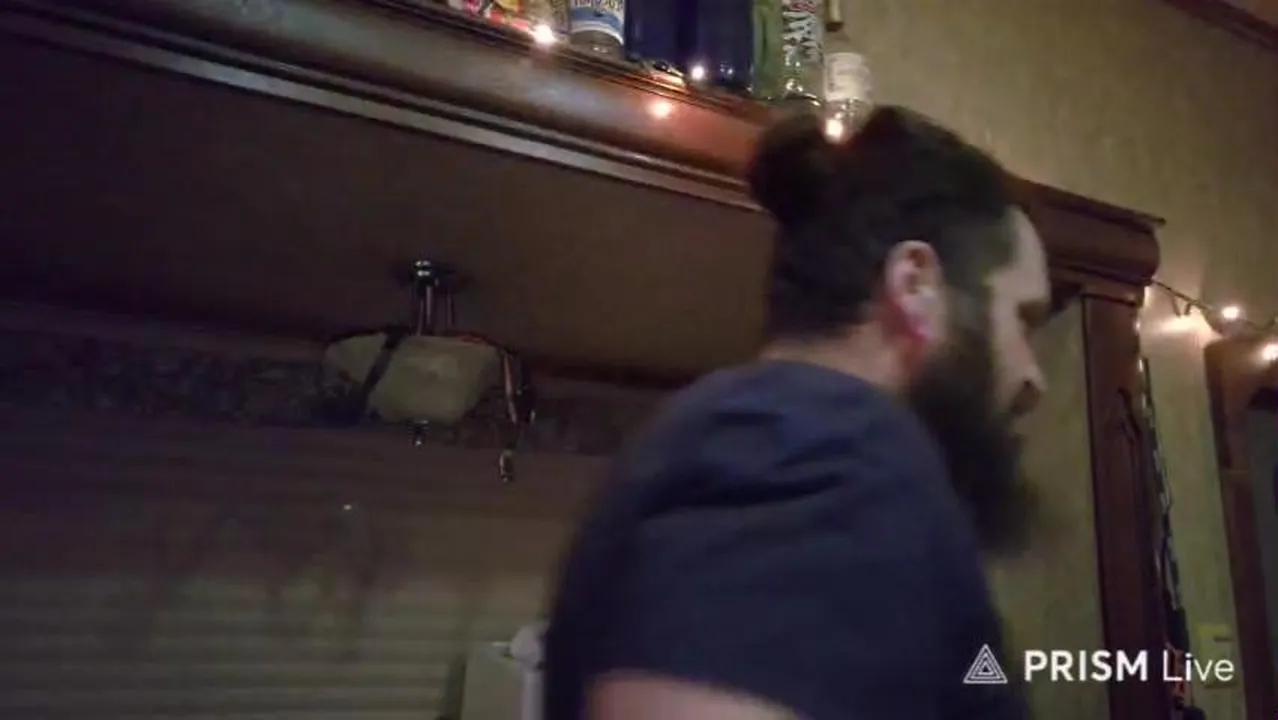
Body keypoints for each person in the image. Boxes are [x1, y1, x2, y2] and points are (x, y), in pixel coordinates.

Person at [541, 105, 1052, 719]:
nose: (1034, 378)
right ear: (913, 286)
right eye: (1023, 320)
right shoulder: (825, 440)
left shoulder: (775, 441)